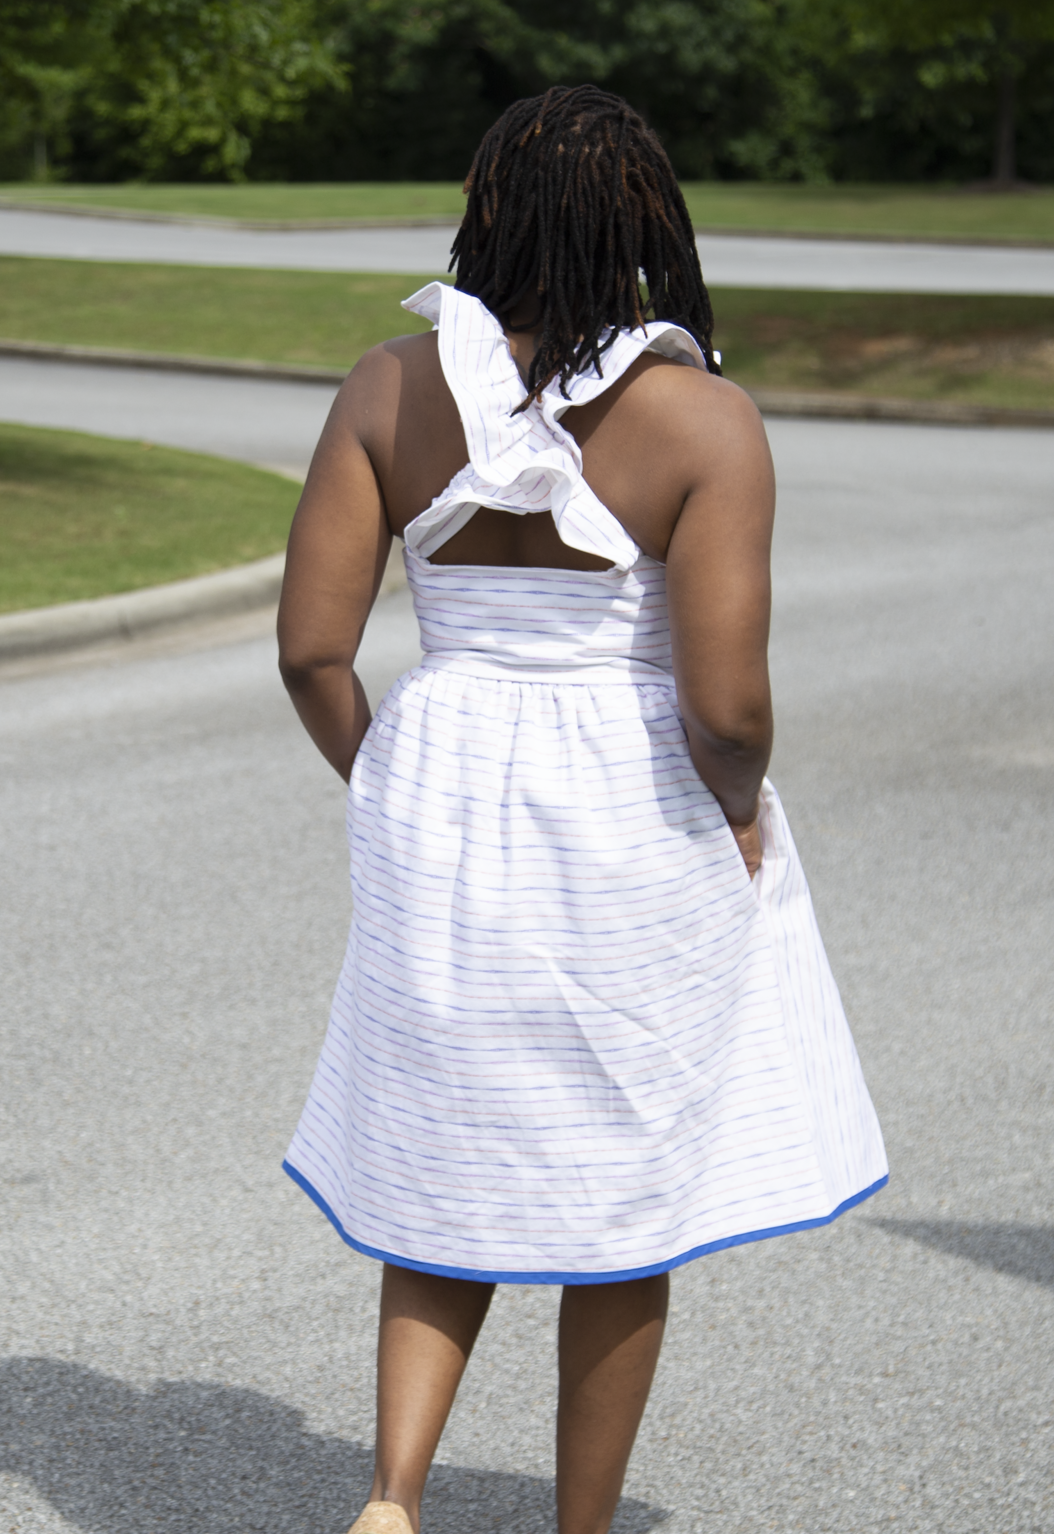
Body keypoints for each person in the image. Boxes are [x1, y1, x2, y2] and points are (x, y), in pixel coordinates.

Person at [276, 85, 888, 1534]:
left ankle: (392, 1496)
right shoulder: (703, 421)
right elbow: (727, 705)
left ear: (488, 216)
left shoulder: (388, 388)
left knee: (447, 1148)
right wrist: (736, 815)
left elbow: (311, 650)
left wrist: (393, 787)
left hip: (447, 791)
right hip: (627, 813)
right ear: (643, 230)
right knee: (620, 1195)